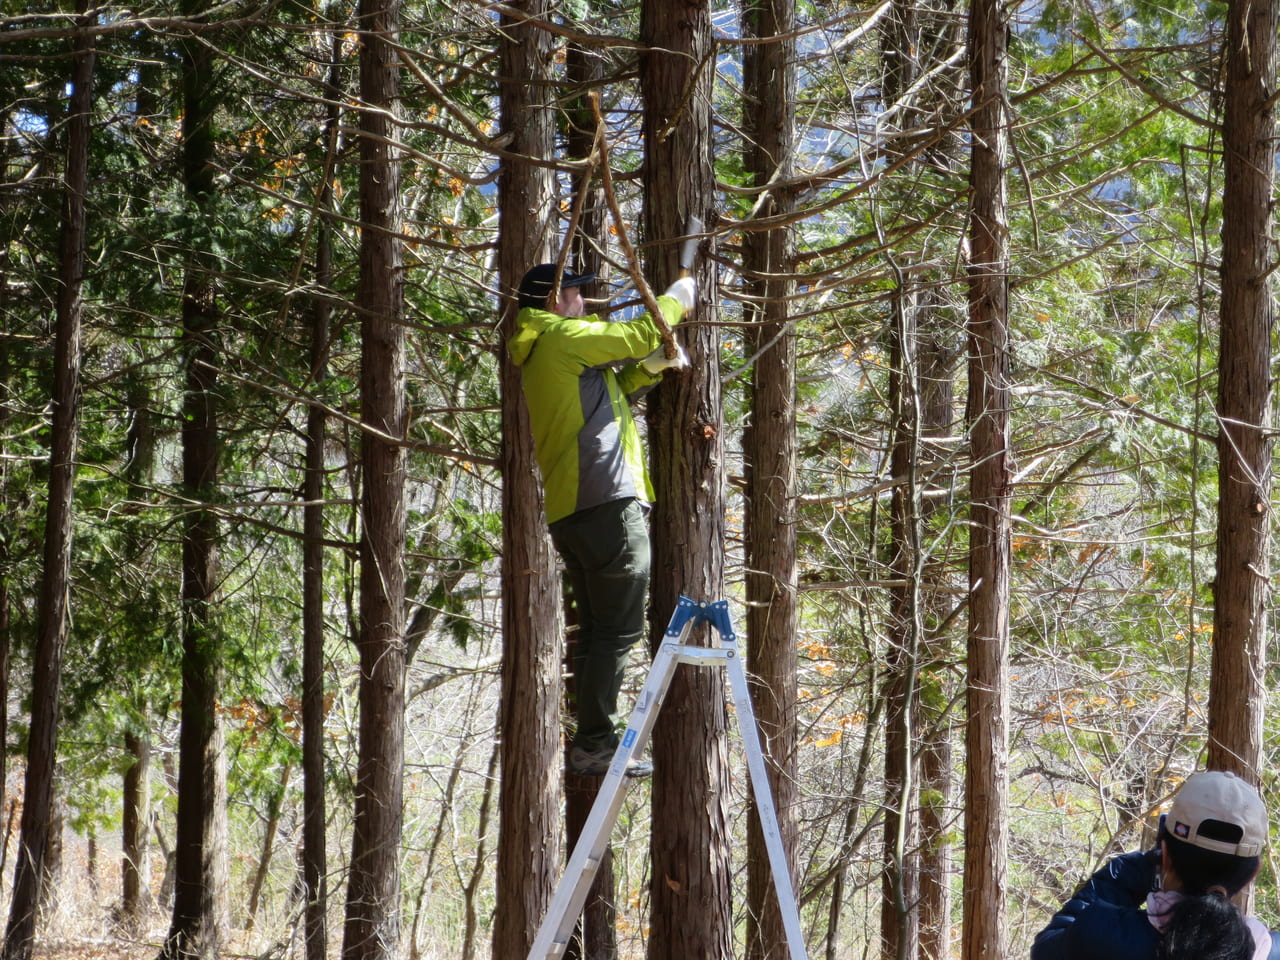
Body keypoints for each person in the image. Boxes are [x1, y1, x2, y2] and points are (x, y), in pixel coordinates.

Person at [508, 262, 695, 777]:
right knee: (618, 627)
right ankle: (595, 742)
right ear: (553, 302)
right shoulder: (563, 336)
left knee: (596, 629)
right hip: (607, 501)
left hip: (574, 509)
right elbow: (638, 331)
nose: (583, 301)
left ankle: (591, 739)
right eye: (575, 293)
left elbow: (611, 390)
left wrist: (653, 367)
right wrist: (678, 295)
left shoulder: (544, 348)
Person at [1031, 770, 1276, 960]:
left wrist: (1126, 875)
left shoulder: (1099, 935)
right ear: (1253, 873)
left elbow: (1047, 948)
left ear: (1165, 854)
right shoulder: (1267, 949)